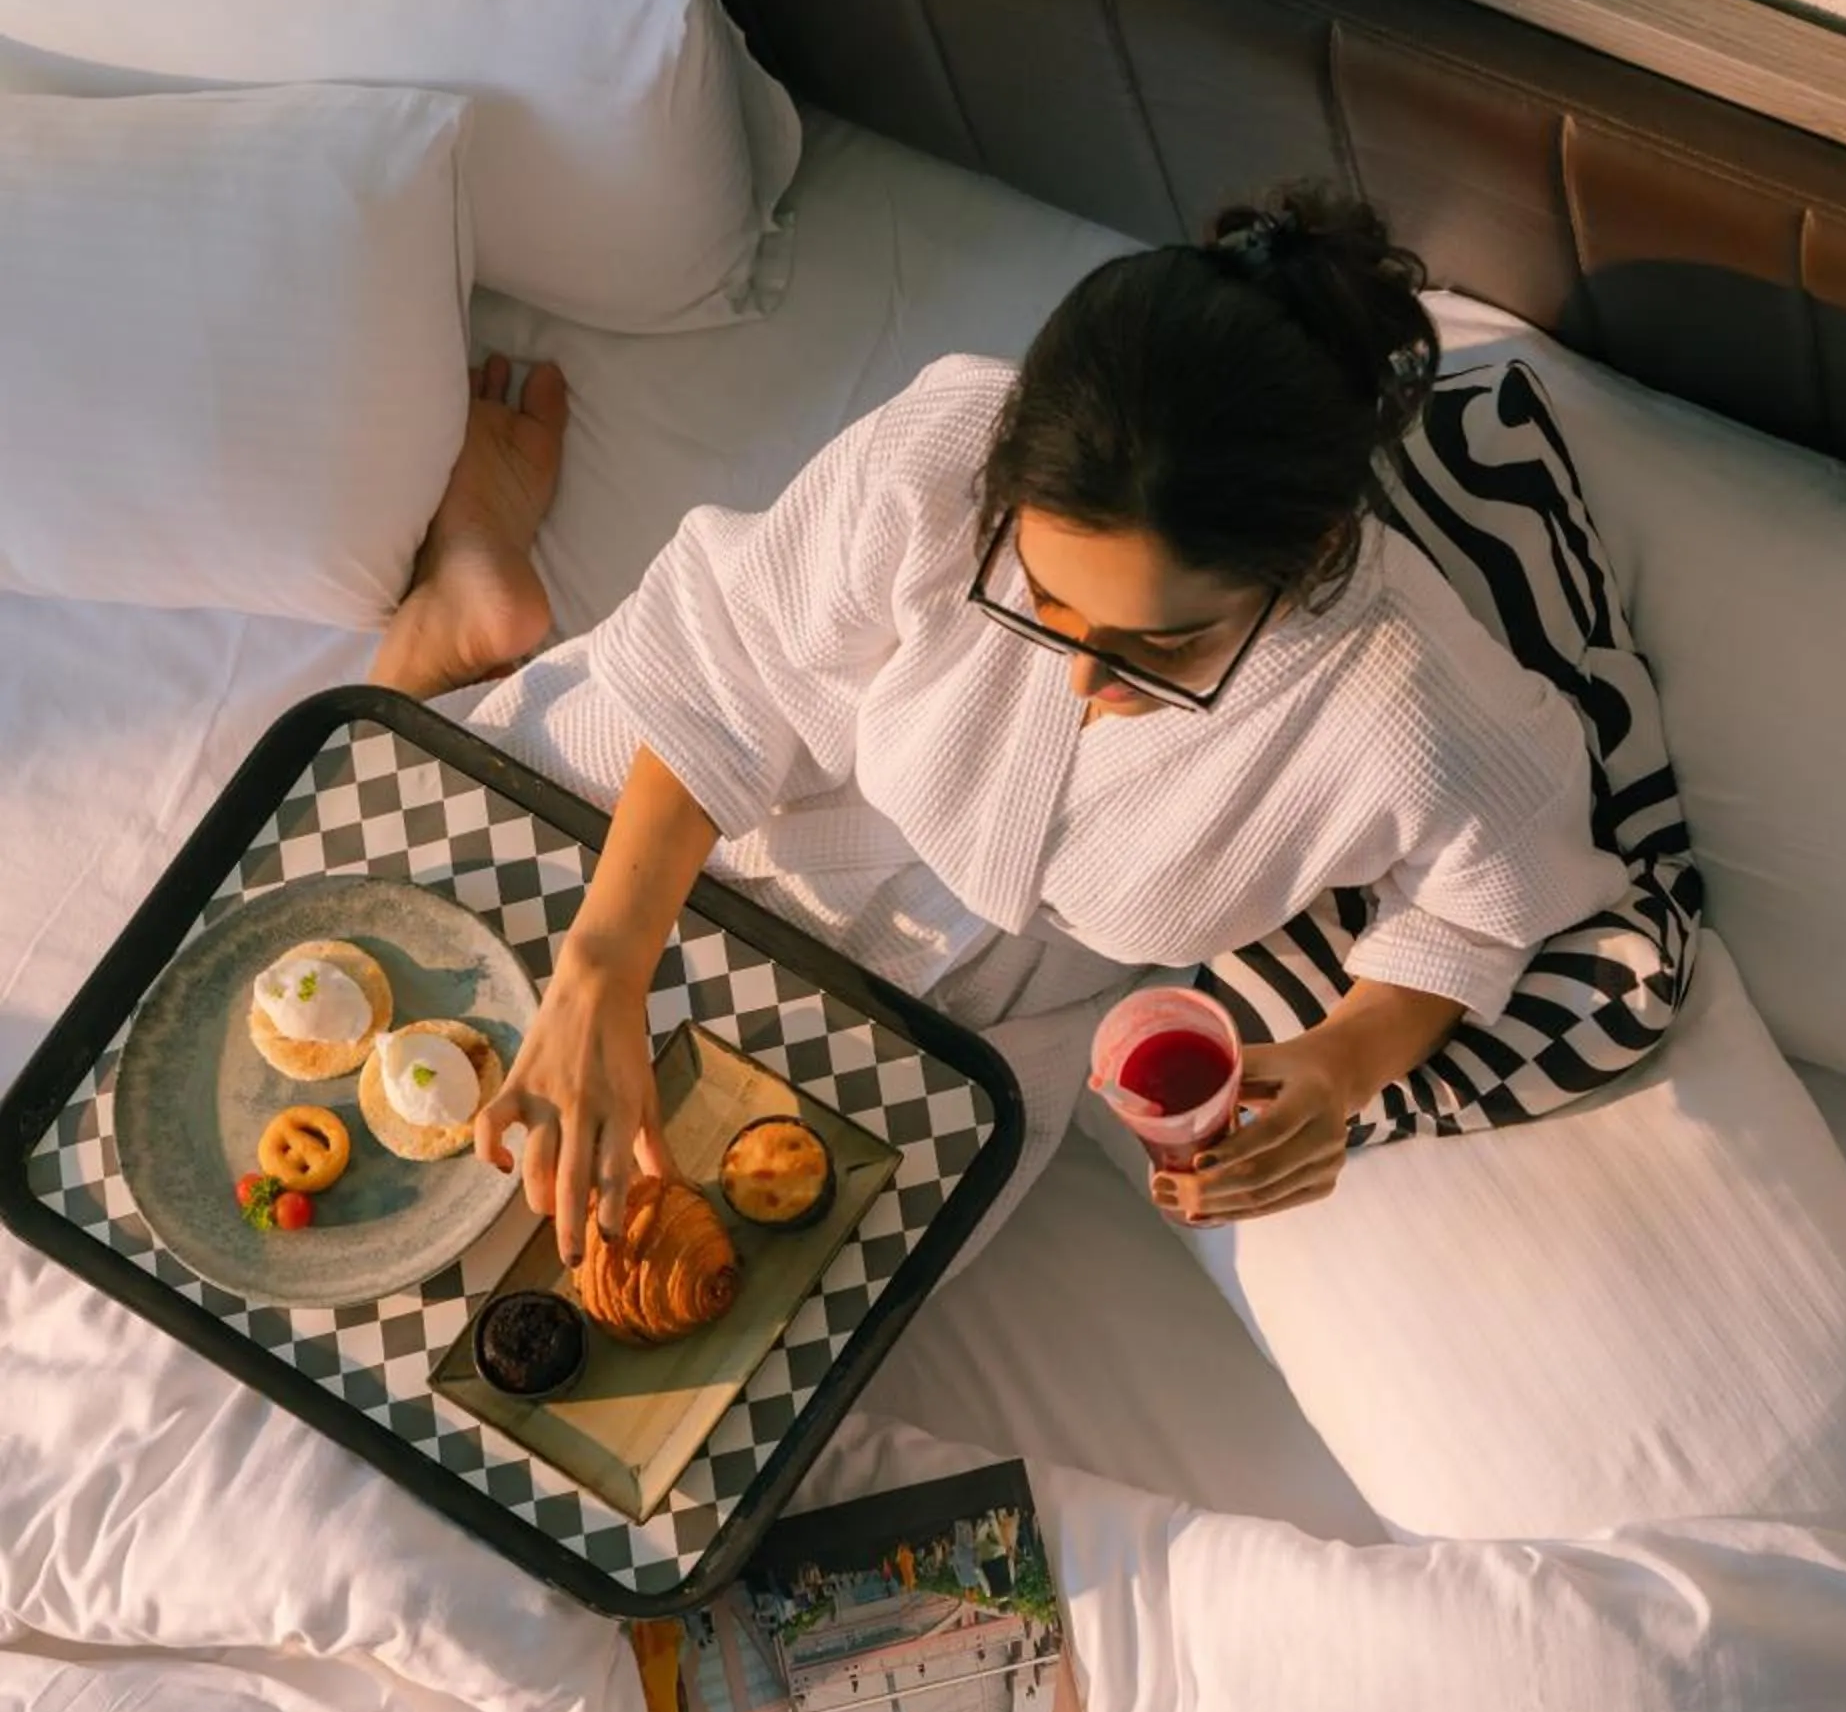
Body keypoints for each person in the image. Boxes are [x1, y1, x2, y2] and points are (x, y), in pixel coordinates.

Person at [373, 185, 1628, 1269]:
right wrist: (604, 961)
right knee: (363, 942)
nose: (1085, 679)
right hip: (705, 788)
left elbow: (1486, 894)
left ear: (1306, 558)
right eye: (1048, 603)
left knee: (652, 1298)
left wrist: (1347, 1059)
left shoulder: (1398, 704)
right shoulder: (944, 452)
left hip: (969, 1002)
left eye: (1164, 644)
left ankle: (450, 634)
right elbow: (727, 667)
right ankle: (447, 631)